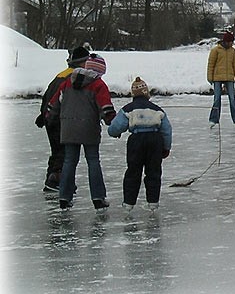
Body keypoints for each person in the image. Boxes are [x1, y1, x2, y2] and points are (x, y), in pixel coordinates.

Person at [46, 54, 116, 213]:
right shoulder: (98, 85)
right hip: (88, 128)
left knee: (69, 161)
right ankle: (98, 198)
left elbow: (53, 104)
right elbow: (106, 108)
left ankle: (64, 197)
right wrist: (114, 123)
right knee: (93, 161)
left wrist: (49, 118)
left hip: (68, 128)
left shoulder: (66, 83)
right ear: (100, 71)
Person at [107, 77, 173, 212]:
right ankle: (153, 202)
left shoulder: (128, 109)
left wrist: (114, 133)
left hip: (136, 140)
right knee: (153, 172)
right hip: (155, 140)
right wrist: (166, 148)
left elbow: (116, 127)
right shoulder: (157, 109)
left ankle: (129, 203)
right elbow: (167, 130)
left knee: (133, 171)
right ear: (146, 93)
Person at [35, 45, 91, 192]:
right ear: (82, 62)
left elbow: (48, 95)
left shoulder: (61, 74)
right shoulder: (75, 77)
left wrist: (43, 115)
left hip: (50, 117)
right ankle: (57, 180)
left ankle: (50, 180)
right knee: (64, 152)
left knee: (56, 150)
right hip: (60, 119)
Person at [207, 31, 235, 128]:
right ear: (225, 41)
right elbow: (211, 65)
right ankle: (213, 119)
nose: (232, 44)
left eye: (232, 42)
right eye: (230, 42)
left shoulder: (233, 51)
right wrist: (210, 78)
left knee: (232, 98)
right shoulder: (216, 50)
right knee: (217, 98)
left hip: (229, 77)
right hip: (217, 78)